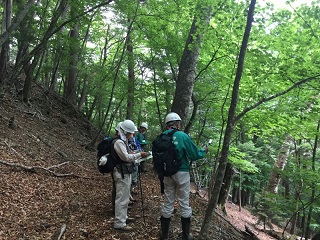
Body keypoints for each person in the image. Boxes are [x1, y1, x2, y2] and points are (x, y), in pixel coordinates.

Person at [159, 112, 208, 240]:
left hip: (166, 173)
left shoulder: (162, 136)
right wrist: (204, 151)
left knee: (168, 202)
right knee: (184, 203)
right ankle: (186, 236)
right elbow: (195, 154)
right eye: (179, 122)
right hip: (181, 172)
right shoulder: (182, 135)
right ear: (176, 123)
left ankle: (164, 235)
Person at [112, 120, 148, 232]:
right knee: (121, 198)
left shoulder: (123, 141)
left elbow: (128, 154)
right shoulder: (118, 142)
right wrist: (139, 154)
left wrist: (136, 153)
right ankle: (119, 223)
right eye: (130, 133)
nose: (131, 135)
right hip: (121, 173)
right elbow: (126, 157)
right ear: (125, 132)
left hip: (125, 172)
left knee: (125, 197)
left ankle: (124, 218)